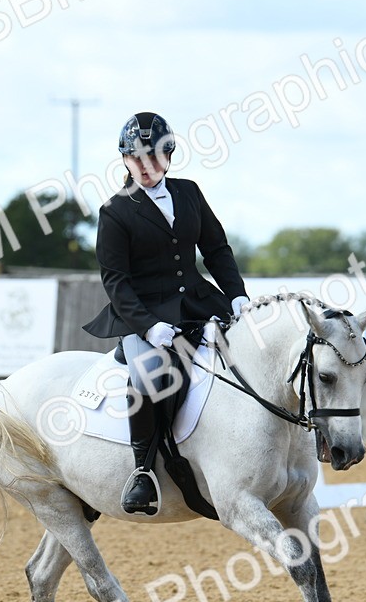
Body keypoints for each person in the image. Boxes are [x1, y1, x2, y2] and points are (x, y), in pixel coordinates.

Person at [82, 112, 250, 515]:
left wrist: (238, 296)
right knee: (149, 376)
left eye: (154, 157)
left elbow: (216, 249)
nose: (146, 167)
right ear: (124, 159)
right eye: (136, 158)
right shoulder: (115, 212)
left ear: (169, 154)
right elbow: (116, 282)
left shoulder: (189, 192)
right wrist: (148, 327)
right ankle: (143, 472)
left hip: (197, 303)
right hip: (141, 314)